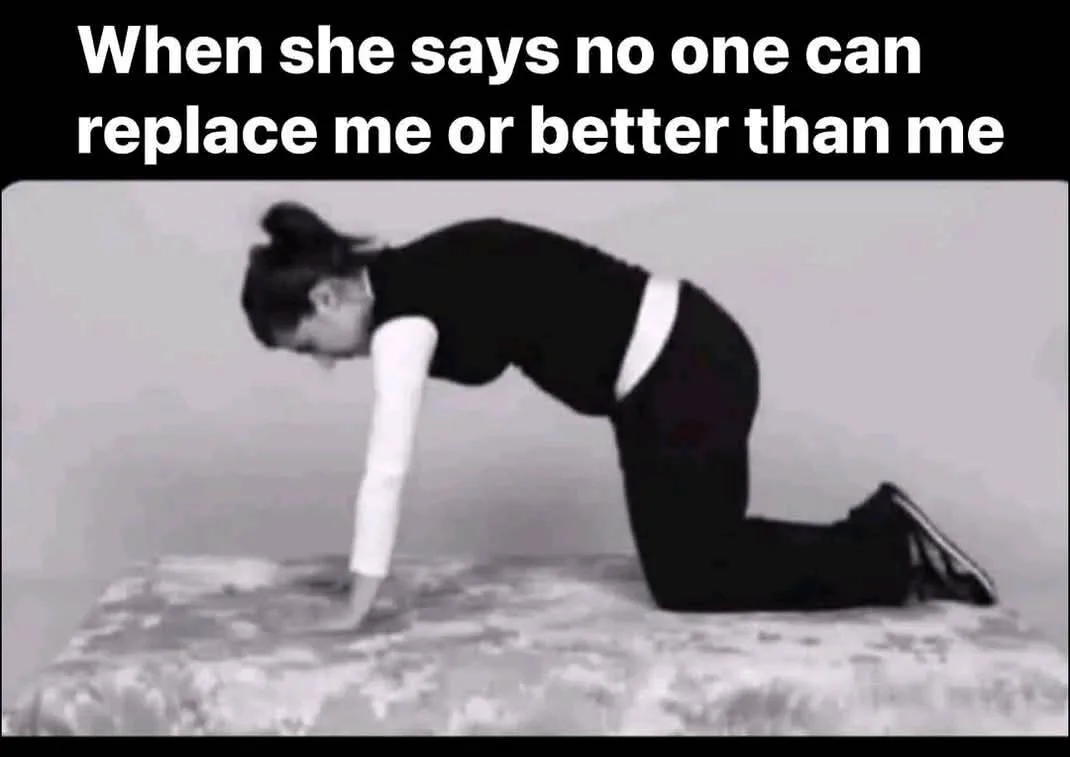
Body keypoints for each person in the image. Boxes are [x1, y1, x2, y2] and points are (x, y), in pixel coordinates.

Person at [239, 202, 999, 633]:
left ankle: (892, 547)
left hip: (684, 367)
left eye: (309, 345)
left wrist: (359, 602)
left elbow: (387, 464)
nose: (326, 363)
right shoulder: (417, 271)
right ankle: (885, 537)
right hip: (673, 369)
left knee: (694, 575)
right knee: (694, 564)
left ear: (326, 298)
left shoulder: (402, 318)